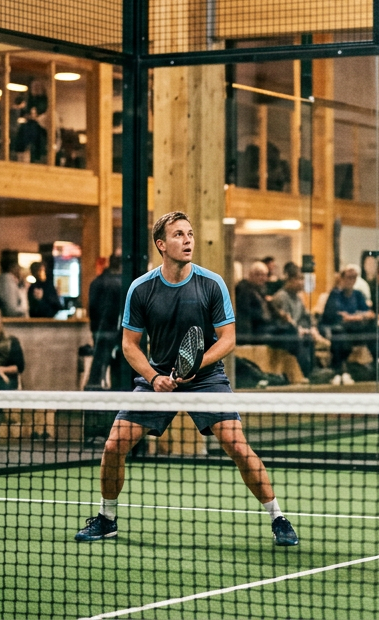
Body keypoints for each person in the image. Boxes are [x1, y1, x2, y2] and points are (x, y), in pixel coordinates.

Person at [75, 211, 298, 547]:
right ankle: (107, 519)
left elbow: (227, 339)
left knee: (237, 445)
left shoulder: (212, 284)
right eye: (179, 234)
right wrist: (153, 378)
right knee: (114, 445)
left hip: (207, 379)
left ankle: (278, 518)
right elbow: (129, 346)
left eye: (190, 233)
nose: (188, 240)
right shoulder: (141, 289)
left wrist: (196, 365)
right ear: (161, 244)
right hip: (157, 380)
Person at [321, 264, 378, 377]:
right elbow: (340, 317)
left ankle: (377, 365)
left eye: (354, 277)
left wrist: (356, 317)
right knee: (339, 332)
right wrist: (359, 316)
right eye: (349, 277)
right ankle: (339, 368)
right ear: (342, 278)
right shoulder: (335, 295)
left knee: (376, 329)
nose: (351, 280)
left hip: (355, 328)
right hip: (337, 328)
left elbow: (370, 314)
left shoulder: (358, 295)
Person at [87, 252, 127, 390]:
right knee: (118, 367)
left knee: (97, 369)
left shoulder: (96, 282)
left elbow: (92, 309)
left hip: (100, 331)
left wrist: (94, 330)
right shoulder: (123, 283)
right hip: (116, 331)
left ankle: (94, 398)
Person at [0, 251, 29, 318]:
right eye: (17, 266)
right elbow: (12, 309)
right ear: (12, 267)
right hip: (13, 322)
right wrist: (24, 307)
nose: (19, 269)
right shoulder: (8, 282)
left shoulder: (0, 280)